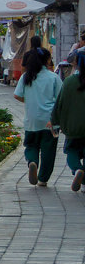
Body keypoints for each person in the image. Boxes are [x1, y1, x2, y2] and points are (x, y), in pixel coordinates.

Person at [14, 40, 62, 187]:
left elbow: (17, 95)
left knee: (31, 145)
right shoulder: (53, 77)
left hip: (32, 119)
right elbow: (61, 99)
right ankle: (43, 179)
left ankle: (33, 162)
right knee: (48, 151)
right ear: (45, 61)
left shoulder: (26, 77)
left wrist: (29, 101)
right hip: (50, 120)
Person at [50, 51, 85, 192]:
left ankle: (77, 169)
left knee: (71, 150)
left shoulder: (69, 82)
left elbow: (60, 104)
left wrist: (55, 122)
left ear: (77, 64)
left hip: (73, 126)